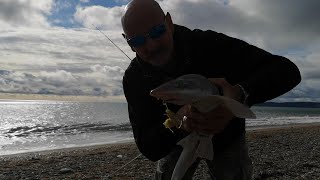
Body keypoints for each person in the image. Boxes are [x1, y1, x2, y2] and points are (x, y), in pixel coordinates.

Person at [121, 0, 301, 179]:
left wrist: (238, 95)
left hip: (226, 135)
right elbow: (148, 148)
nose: (151, 45)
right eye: (137, 40)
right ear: (128, 43)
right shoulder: (134, 79)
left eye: (157, 31)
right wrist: (178, 125)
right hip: (176, 141)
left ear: (169, 22)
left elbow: (287, 70)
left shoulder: (208, 45)